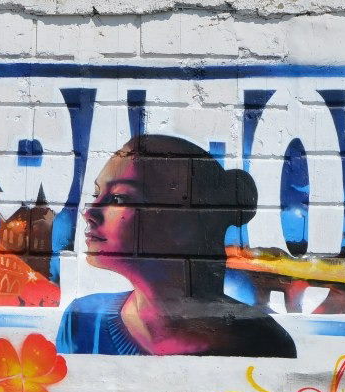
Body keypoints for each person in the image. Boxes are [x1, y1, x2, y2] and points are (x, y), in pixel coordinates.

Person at [57, 134, 296, 358]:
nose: (89, 213)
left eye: (119, 198)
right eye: (96, 194)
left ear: (186, 220)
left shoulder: (262, 341)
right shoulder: (81, 321)